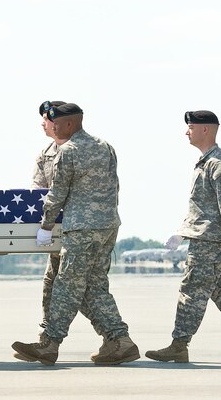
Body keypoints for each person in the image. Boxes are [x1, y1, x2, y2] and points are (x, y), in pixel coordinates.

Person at [12, 103, 139, 365]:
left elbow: (56, 193)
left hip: (80, 228)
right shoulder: (105, 146)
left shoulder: (68, 151)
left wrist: (46, 226)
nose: (51, 125)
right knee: (93, 286)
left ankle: (49, 344)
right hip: (107, 225)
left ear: (70, 124)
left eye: (56, 122)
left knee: (67, 285)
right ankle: (120, 341)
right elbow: (114, 186)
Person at [146, 110, 221, 363]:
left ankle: (179, 345)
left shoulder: (219, 163)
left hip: (210, 243)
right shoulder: (206, 161)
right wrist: (182, 233)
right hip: (205, 238)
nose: (186, 131)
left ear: (205, 129)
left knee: (191, 290)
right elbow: (201, 207)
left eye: (190, 127)